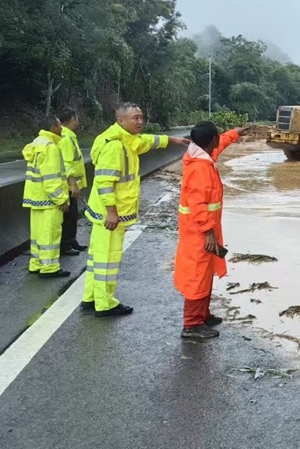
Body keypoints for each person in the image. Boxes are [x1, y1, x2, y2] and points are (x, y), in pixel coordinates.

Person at [81, 103, 189, 317]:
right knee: (108, 259)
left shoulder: (126, 139)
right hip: (110, 213)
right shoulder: (115, 146)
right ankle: (105, 303)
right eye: (135, 118)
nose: (140, 122)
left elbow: (147, 141)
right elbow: (104, 182)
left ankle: (91, 297)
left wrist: (173, 140)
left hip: (108, 211)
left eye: (141, 117)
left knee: (98, 256)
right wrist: (111, 212)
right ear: (121, 120)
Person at [174, 121, 246, 339]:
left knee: (206, 273)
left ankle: (202, 315)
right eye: (217, 137)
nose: (218, 141)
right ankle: (192, 324)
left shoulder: (202, 157)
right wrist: (208, 232)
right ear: (211, 141)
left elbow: (220, 143)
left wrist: (234, 133)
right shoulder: (200, 168)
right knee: (197, 275)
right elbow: (198, 205)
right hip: (199, 232)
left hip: (203, 229)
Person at [22, 116, 71, 278]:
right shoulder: (51, 147)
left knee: (37, 235)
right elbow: (51, 178)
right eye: (59, 125)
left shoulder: (36, 143)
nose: (61, 128)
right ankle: (49, 267)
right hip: (49, 200)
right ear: (52, 128)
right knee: (50, 234)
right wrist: (61, 198)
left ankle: (35, 263)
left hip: (35, 198)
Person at [58, 108, 88, 255]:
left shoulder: (70, 136)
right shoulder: (65, 137)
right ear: (70, 119)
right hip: (67, 185)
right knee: (68, 215)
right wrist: (73, 184)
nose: (78, 122)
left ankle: (71, 240)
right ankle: (65, 244)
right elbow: (67, 163)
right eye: (76, 119)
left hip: (71, 183)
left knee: (73, 213)